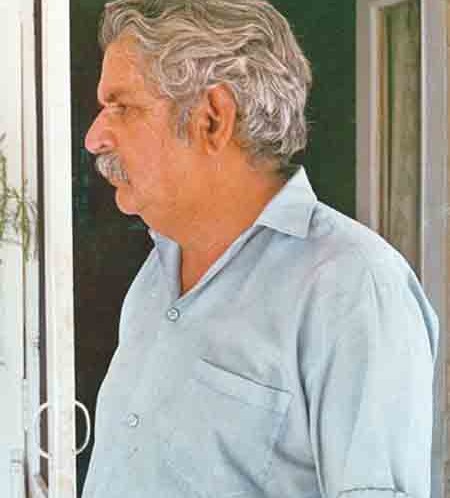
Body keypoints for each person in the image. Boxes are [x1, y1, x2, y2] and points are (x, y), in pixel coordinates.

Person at [82, 1, 439, 497]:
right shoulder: (157, 274)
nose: (95, 137)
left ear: (212, 119)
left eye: (122, 107)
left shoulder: (354, 285)